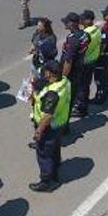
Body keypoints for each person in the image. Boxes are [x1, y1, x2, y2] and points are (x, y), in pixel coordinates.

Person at [29, 61, 70, 193]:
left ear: (49, 73)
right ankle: (55, 172)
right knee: (55, 148)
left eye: (45, 71)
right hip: (60, 124)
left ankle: (46, 181)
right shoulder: (64, 82)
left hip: (49, 127)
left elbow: (47, 115)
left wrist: (39, 131)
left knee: (44, 153)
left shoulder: (52, 94)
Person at [60, 12, 89, 117]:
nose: (64, 24)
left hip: (72, 72)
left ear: (72, 24)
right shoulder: (84, 34)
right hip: (80, 67)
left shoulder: (74, 40)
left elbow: (68, 61)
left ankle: (65, 124)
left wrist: (63, 78)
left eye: (66, 22)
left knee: (67, 99)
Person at [76, 10, 101, 117]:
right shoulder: (96, 29)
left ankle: (81, 108)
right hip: (92, 61)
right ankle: (83, 106)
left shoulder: (86, 34)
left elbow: (79, 49)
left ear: (88, 20)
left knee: (81, 86)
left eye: (82, 19)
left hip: (84, 63)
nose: (80, 21)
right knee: (86, 85)